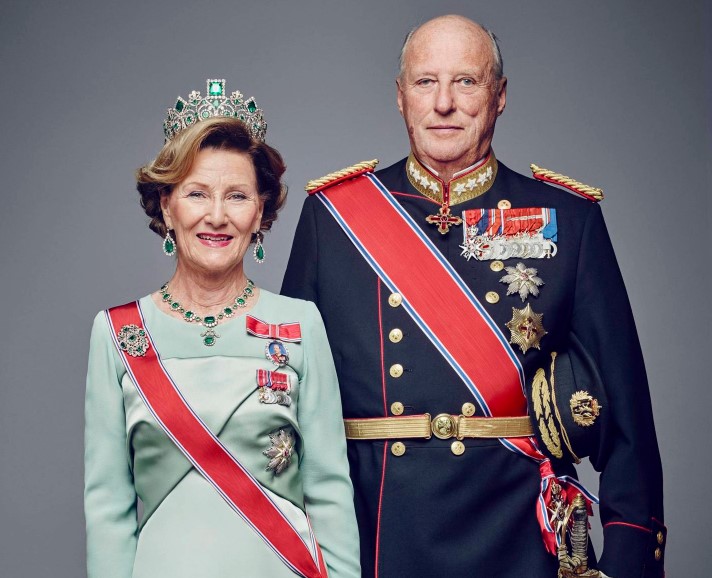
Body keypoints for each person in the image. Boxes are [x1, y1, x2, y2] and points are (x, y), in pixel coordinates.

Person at [282, 15, 665, 578]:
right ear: (400, 97)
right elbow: (289, 405)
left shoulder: (569, 218)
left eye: (466, 81)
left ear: (499, 95)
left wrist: (630, 557)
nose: (444, 103)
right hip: (375, 542)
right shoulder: (332, 218)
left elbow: (628, 421)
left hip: (519, 542)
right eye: (425, 82)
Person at [84, 79, 360, 578]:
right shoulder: (118, 333)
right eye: (197, 194)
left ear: (260, 212)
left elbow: (329, 493)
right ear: (166, 205)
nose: (216, 216)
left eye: (236, 196)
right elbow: (108, 512)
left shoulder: (300, 324)